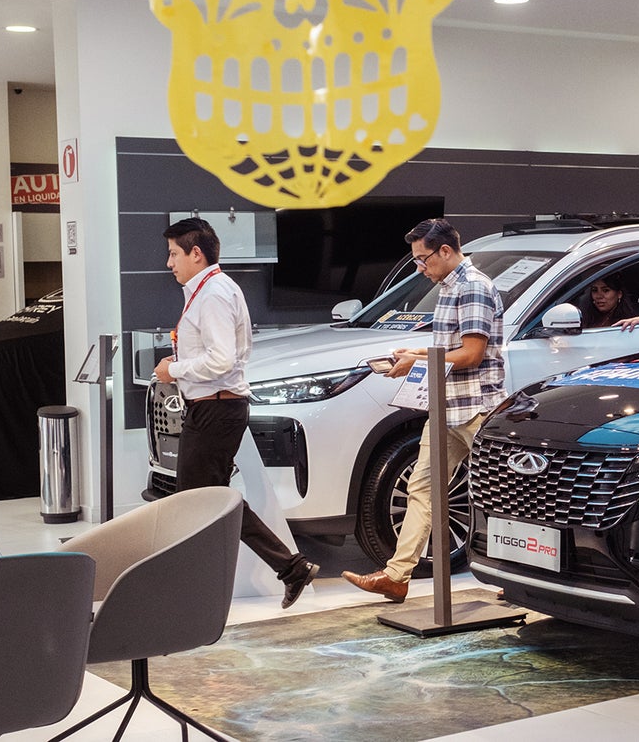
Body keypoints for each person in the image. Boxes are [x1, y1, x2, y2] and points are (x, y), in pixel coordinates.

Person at [153, 217, 320, 609]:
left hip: (217, 409)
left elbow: (222, 359)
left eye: (174, 254)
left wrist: (174, 370)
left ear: (196, 253)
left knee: (197, 501)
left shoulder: (213, 294)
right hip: (213, 407)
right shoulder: (211, 290)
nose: (169, 263)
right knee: (209, 499)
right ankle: (289, 568)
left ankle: (194, 590)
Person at [343, 218, 506, 603]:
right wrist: (416, 352)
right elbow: (453, 348)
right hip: (447, 406)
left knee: (498, 494)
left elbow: (472, 353)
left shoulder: (473, 287)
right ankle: (396, 576)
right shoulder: (448, 287)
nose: (420, 268)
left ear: (445, 251)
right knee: (421, 487)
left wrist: (417, 362)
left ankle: (515, 574)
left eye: (423, 259)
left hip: (477, 408)